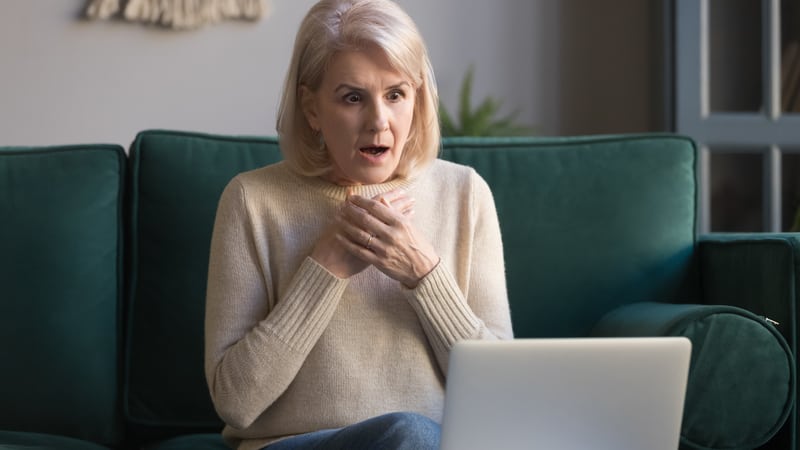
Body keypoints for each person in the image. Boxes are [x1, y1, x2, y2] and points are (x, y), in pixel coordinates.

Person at [204, 0, 514, 448]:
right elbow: (235, 401)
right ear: (311, 109)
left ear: (418, 96)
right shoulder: (251, 201)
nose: (379, 121)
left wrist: (424, 274)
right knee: (407, 433)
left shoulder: (465, 194)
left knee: (413, 435)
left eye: (395, 94)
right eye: (353, 98)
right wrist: (325, 269)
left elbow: (502, 391)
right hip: (296, 443)